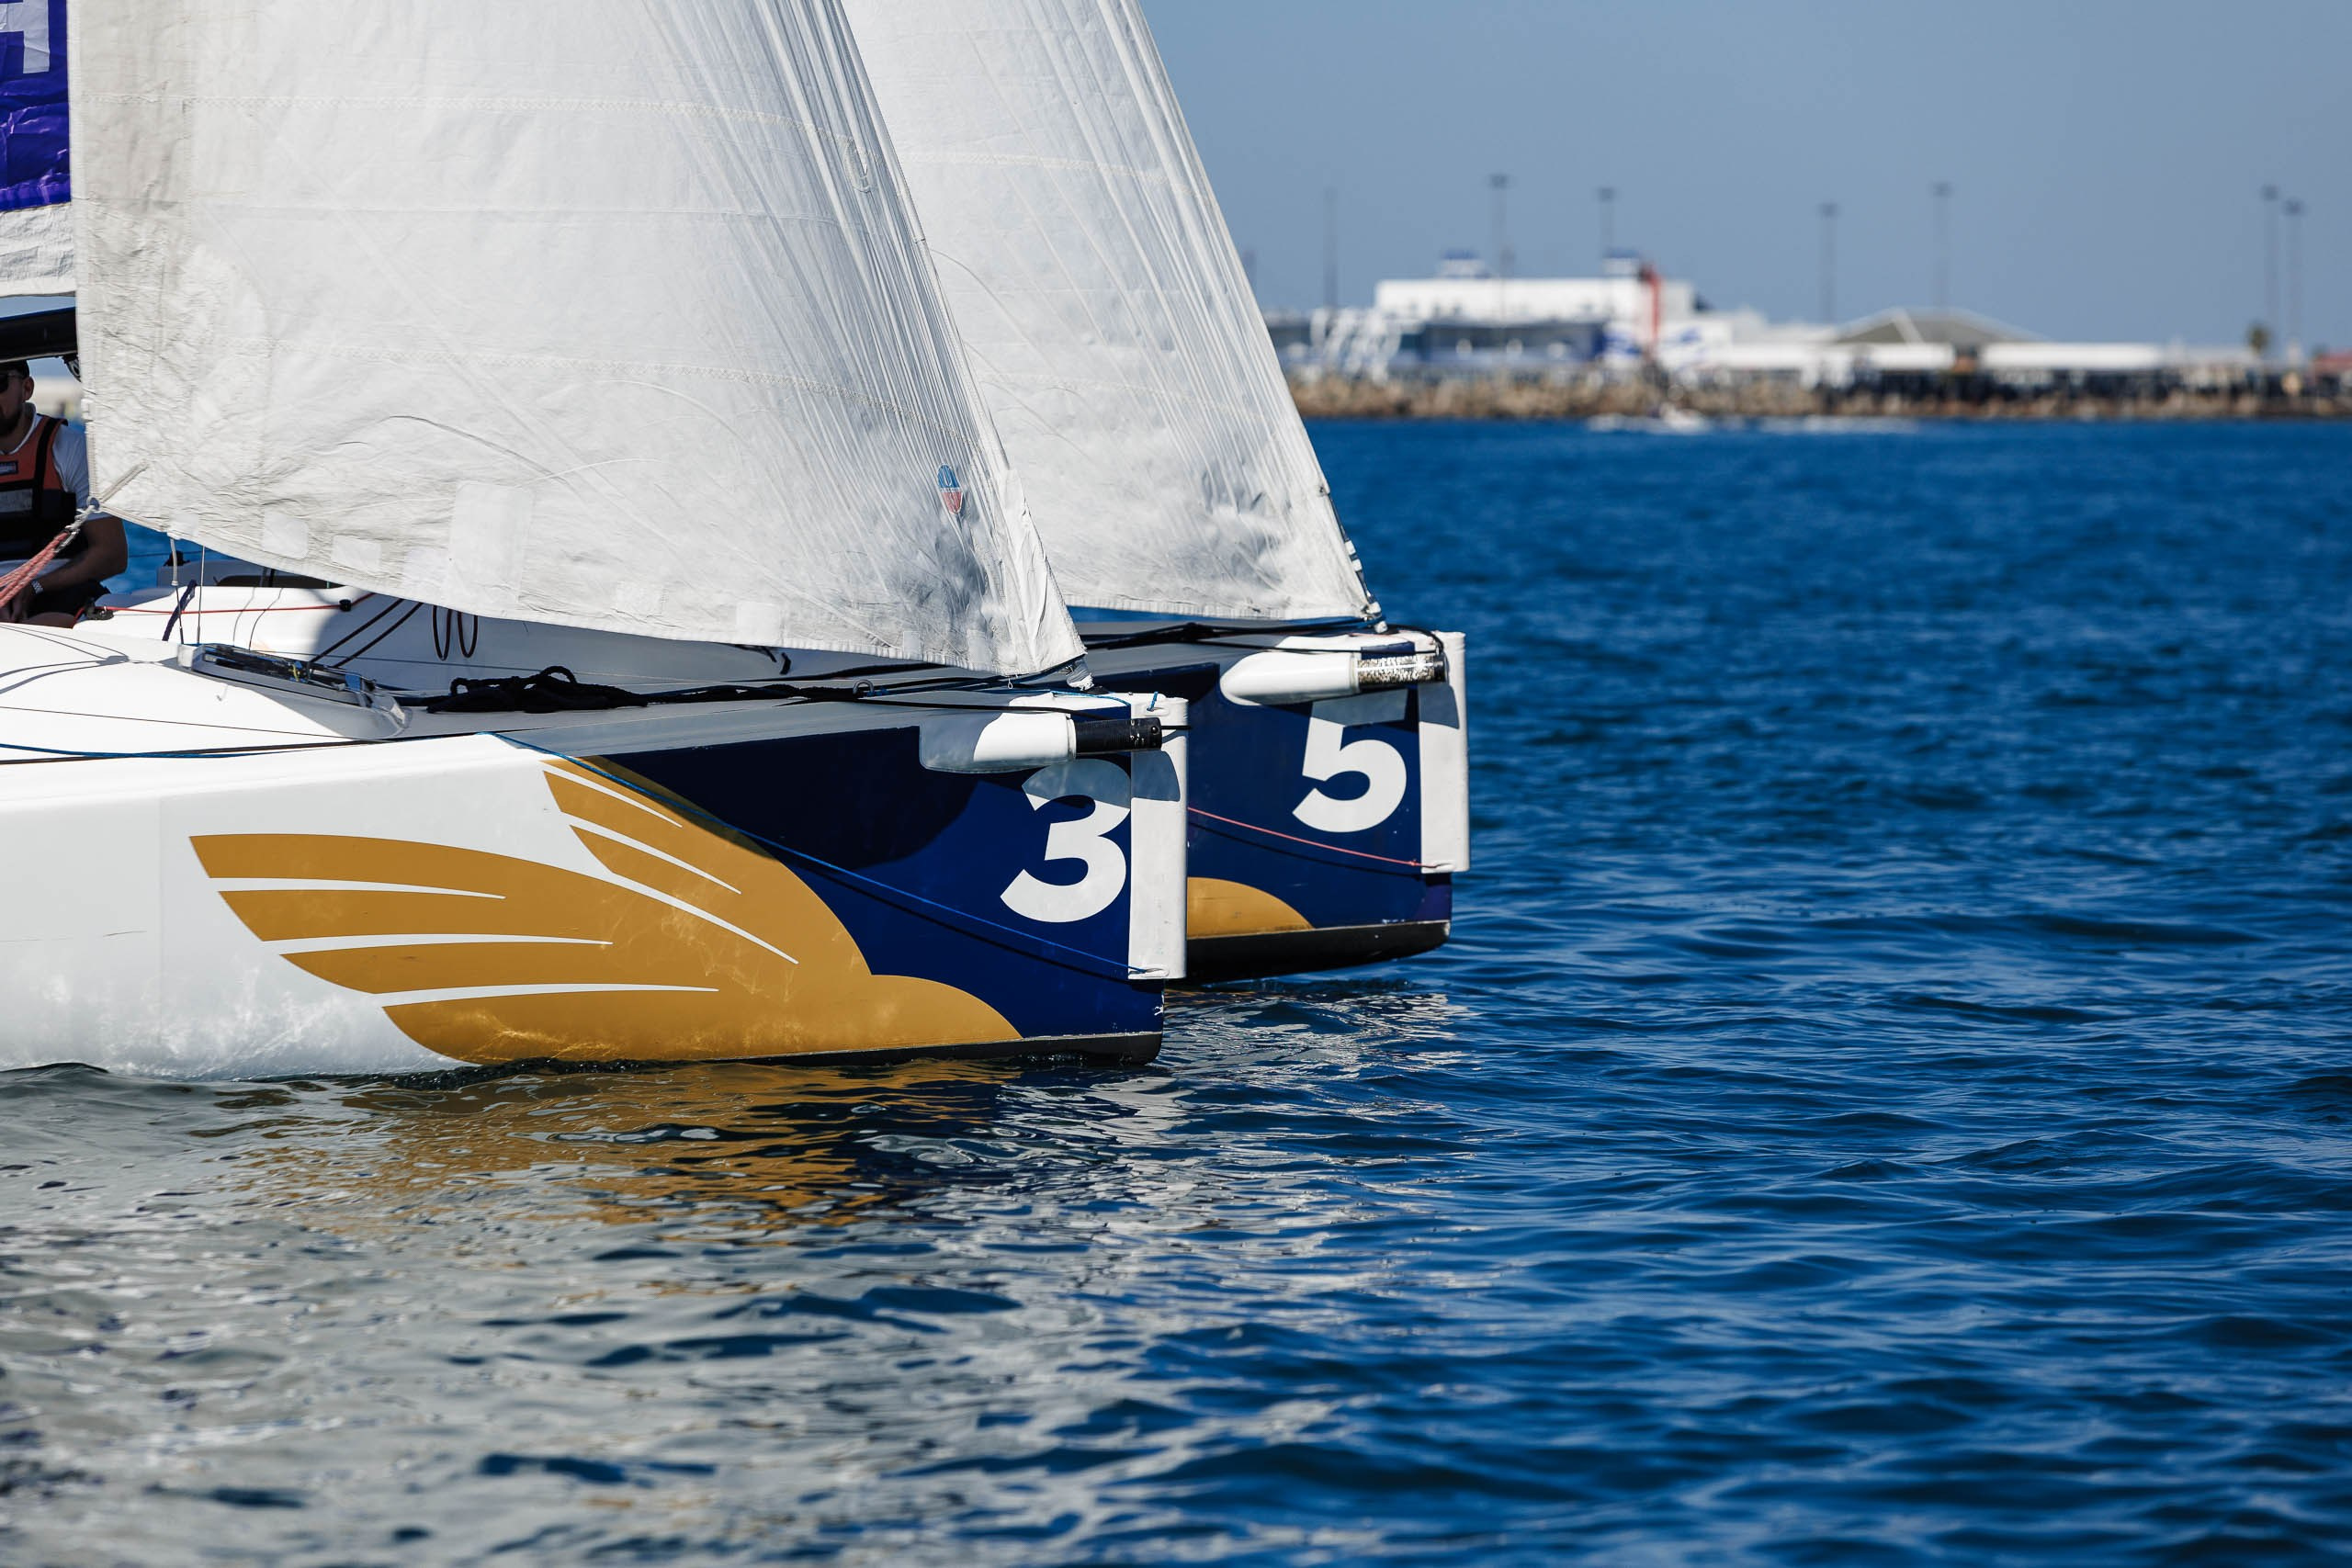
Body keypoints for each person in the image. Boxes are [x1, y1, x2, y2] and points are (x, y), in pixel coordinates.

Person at [0, 359, 126, 626]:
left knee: (53, 622)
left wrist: (34, 587)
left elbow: (112, 554)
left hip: (57, 593)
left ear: (27, 388)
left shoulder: (70, 450)